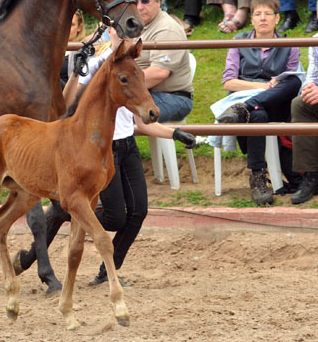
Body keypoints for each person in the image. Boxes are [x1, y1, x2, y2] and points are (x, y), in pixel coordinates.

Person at [18, 28, 196, 287]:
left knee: (138, 212)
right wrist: (75, 74)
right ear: (110, 30)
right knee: (114, 218)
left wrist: (175, 133)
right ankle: (68, 210)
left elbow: (141, 122)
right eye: (121, 30)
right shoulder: (97, 62)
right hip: (100, 149)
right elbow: (67, 105)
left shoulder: (130, 67)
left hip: (128, 146)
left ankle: (103, 270)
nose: (127, 35)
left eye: (131, 31)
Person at [216, 0, 302, 205]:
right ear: (252, 18)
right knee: (258, 114)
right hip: (251, 99)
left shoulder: (290, 45)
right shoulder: (238, 41)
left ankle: (243, 109)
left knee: (294, 81)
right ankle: (257, 176)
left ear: (277, 18)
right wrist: (262, 87)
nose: (263, 18)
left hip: (277, 103)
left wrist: (272, 89)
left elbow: (291, 84)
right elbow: (229, 82)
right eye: (257, 14)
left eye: (268, 13)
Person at [129, 0, 193, 122]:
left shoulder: (167, 29)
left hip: (173, 97)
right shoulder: (133, 25)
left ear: (159, 1)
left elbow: (159, 73)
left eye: (145, 1)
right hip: (146, 92)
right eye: (134, 2)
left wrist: (120, 89)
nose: (139, 7)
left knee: (117, 116)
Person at [290, 34, 318, 204]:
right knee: (300, 104)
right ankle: (311, 176)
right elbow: (312, 76)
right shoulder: (315, 40)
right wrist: (310, 89)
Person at [60, 10, 87, 86]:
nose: (66, 27)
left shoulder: (85, 52)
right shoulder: (51, 48)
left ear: (79, 27)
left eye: (71, 24)